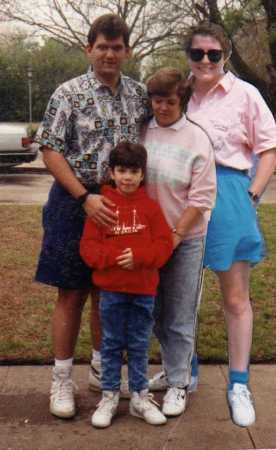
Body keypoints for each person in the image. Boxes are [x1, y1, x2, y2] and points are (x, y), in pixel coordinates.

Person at [34, 13, 150, 419]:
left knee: (109, 290)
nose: (109, 54)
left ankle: (103, 374)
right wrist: (84, 197)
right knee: (72, 292)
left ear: (127, 52)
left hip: (120, 204)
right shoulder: (67, 93)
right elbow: (50, 149)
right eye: (102, 46)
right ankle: (62, 380)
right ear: (89, 49)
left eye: (117, 47)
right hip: (74, 201)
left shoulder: (138, 96)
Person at [183, 23, 276, 427]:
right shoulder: (179, 91)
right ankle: (181, 372)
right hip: (182, 196)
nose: (205, 61)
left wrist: (251, 194)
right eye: (198, 53)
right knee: (181, 295)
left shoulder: (246, 95)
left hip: (230, 190)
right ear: (188, 54)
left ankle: (238, 383)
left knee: (235, 297)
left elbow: (269, 148)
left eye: (214, 54)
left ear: (226, 54)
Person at [80, 142, 173, 427]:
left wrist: (141, 257)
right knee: (110, 344)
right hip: (111, 291)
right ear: (112, 172)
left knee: (138, 344)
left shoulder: (151, 209)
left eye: (134, 171)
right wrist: (114, 258)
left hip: (143, 290)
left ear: (143, 174)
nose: (127, 177)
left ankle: (139, 397)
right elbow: (88, 248)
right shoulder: (102, 207)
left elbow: (164, 245)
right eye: (121, 170)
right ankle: (109, 395)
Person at [143, 68, 216, 417]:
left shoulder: (197, 138)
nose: (162, 107)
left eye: (169, 101)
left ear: (182, 100)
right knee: (155, 311)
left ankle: (179, 384)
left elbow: (201, 198)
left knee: (180, 313)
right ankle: (174, 370)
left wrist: (174, 237)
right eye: (157, 101)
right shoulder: (144, 132)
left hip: (185, 239)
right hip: (148, 239)